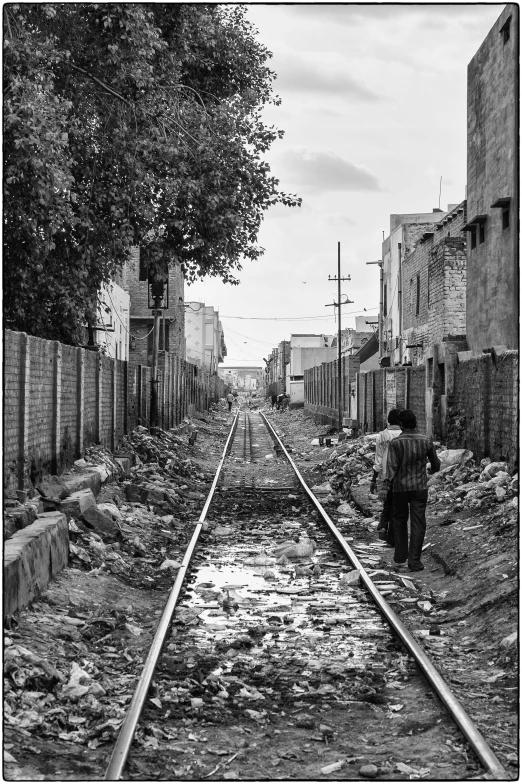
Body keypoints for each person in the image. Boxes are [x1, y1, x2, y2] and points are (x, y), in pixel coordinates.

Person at [378, 409, 440, 572]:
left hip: (400, 489)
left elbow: (391, 468)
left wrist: (385, 486)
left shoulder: (396, 443)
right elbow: (436, 465)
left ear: (402, 425)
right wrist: (430, 471)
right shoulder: (426, 440)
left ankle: (400, 556)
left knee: (399, 520)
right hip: (420, 488)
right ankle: (415, 561)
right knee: (418, 522)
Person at [370, 409, 402, 546]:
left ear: (388, 420)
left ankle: (384, 525)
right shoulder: (404, 434)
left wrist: (373, 478)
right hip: (401, 475)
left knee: (387, 501)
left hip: (385, 475)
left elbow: (378, 459)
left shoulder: (382, 436)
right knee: (397, 504)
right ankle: (392, 534)